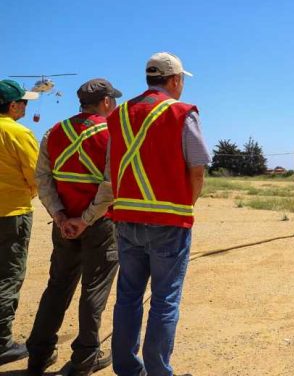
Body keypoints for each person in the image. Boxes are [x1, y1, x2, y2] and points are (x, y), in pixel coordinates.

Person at [108, 53, 210, 376]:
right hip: (170, 223)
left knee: (128, 296)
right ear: (175, 80)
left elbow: (112, 167)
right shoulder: (182, 112)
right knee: (164, 300)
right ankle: (158, 371)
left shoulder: (120, 113)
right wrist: (185, 204)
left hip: (126, 220)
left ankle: (126, 368)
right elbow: (197, 170)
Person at [26, 79, 122, 375]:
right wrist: (86, 219)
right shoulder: (112, 135)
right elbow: (110, 184)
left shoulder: (54, 132)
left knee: (57, 287)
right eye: (114, 100)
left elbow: (43, 178)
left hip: (64, 225)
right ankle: (85, 356)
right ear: (106, 102)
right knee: (94, 290)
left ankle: (38, 355)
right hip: (100, 225)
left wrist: (60, 216)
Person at [0, 79, 39, 366]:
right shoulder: (18, 132)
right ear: (13, 105)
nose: (26, 106)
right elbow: (36, 177)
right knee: (8, 277)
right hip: (12, 214)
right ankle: (2, 344)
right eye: (24, 102)